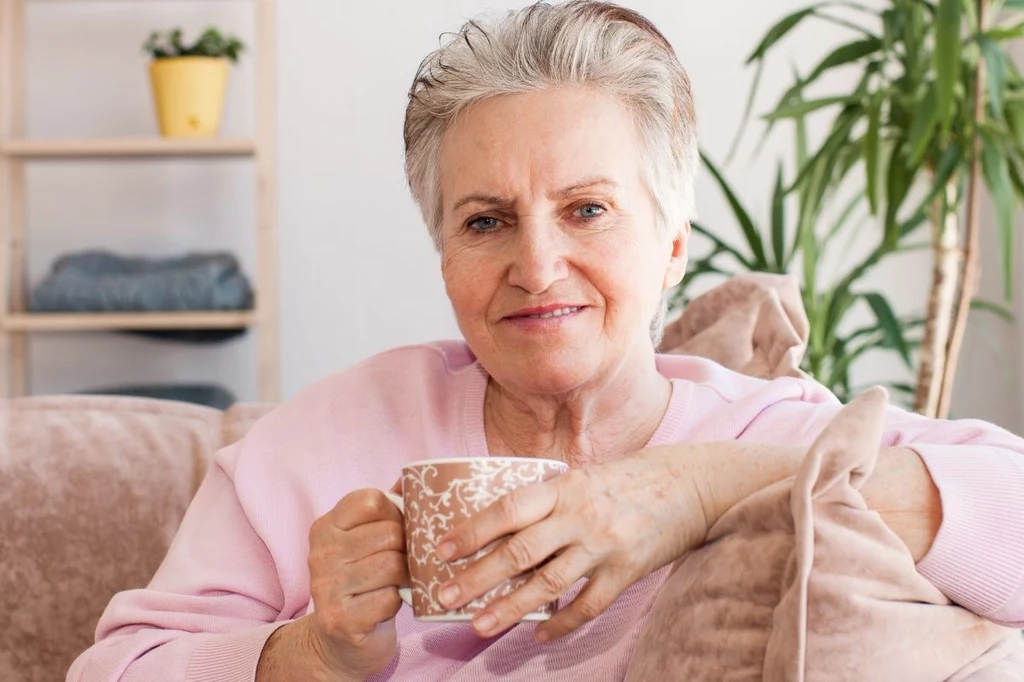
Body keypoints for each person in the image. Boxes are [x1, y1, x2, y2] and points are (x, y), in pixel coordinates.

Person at [68, 2, 1024, 681]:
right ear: (443, 252)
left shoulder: (765, 428)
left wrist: (692, 489)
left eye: (588, 210)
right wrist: (312, 655)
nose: (537, 263)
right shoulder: (325, 443)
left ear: (673, 243)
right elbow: (117, 669)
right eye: (485, 221)